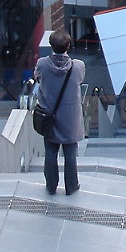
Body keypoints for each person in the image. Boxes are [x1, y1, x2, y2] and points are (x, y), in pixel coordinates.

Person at [35, 30, 86, 195]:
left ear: (51, 46)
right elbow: (80, 80)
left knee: (50, 153)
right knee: (70, 154)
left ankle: (51, 186)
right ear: (68, 46)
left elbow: (38, 78)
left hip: (50, 114)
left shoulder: (42, 64)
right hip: (71, 117)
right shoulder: (78, 66)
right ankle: (71, 186)